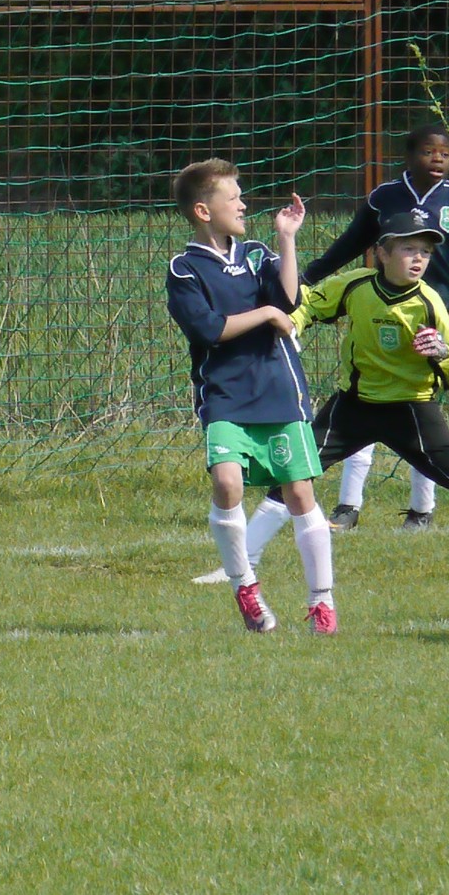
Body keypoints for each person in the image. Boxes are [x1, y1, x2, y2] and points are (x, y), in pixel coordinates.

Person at [227, 210, 449, 582]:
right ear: (382, 253)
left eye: (425, 251)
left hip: (411, 409)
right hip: (353, 407)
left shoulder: (429, 303)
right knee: (295, 472)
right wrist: (290, 325)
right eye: (408, 249)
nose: (419, 258)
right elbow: (306, 306)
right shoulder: (354, 285)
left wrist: (442, 352)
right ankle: (240, 566)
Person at [165, 159, 338, 633]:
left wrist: (287, 238)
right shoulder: (184, 269)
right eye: (234, 197)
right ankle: (245, 586)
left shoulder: (258, 254)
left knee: (299, 492)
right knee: (227, 484)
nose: (244, 205)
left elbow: (288, 301)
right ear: (203, 211)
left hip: (278, 389)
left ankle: (322, 602)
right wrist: (264, 315)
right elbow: (209, 329)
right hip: (225, 395)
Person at [303, 123, 449, 531]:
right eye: (429, 151)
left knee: (421, 416)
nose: (438, 159)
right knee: (364, 401)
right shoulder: (384, 197)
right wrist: (305, 278)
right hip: (380, 311)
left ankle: (421, 509)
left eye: (445, 154)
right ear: (409, 156)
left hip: (433, 322)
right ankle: (348, 505)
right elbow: (349, 244)